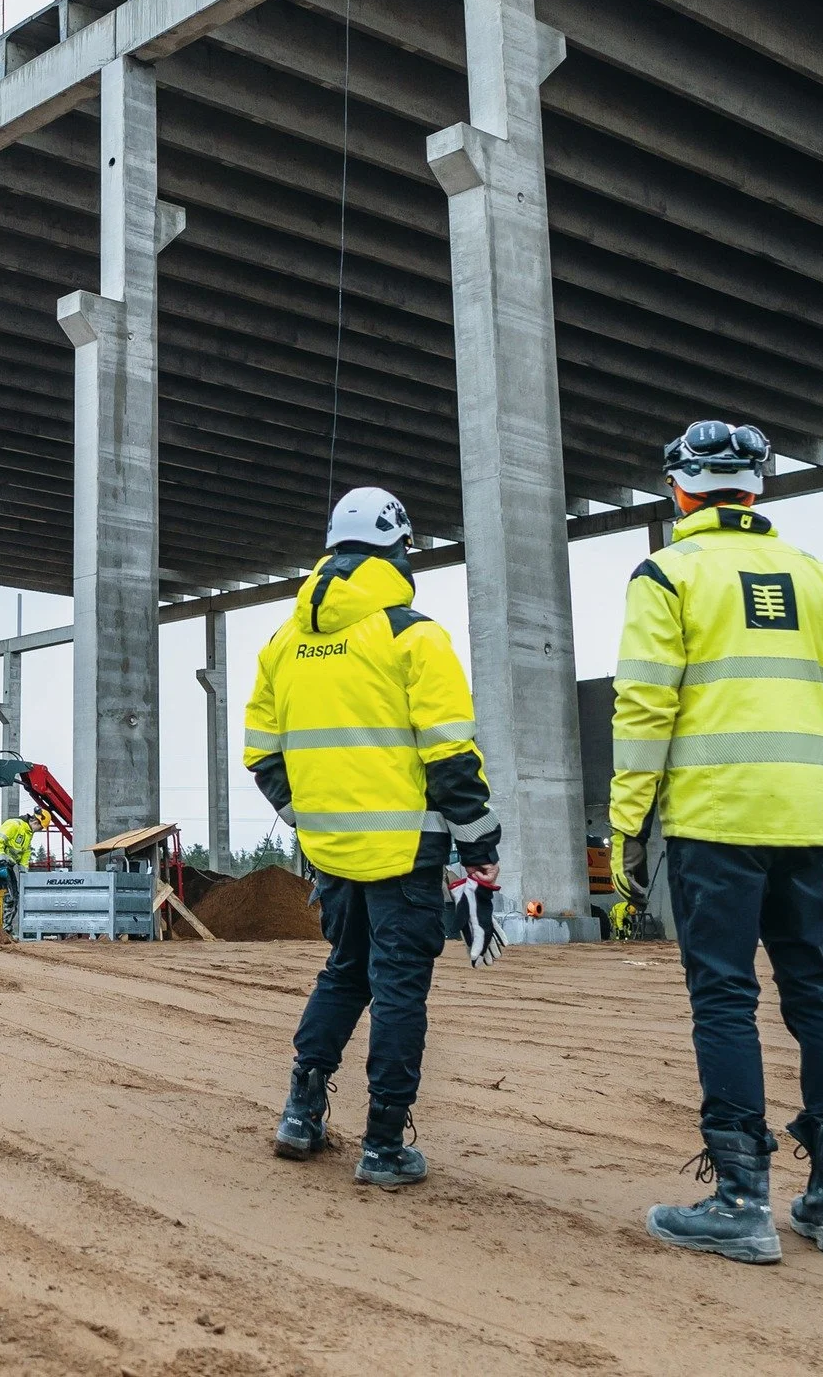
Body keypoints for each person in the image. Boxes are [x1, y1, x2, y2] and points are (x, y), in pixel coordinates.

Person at [609, 422, 823, 1264]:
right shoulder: (815, 577)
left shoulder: (667, 573)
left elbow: (644, 711)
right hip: (806, 824)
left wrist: (629, 826)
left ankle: (741, 1200)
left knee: (726, 999)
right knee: (817, 992)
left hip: (715, 824)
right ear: (756, 490)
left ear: (679, 490)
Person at [244, 486, 505, 1189]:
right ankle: (384, 1142)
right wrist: (480, 847)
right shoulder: (414, 635)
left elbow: (262, 754)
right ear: (399, 551)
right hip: (405, 856)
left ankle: (301, 1111)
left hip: (331, 857)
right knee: (397, 992)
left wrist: (310, 818)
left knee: (345, 971)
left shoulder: (282, 643)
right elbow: (452, 757)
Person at [0, 807, 52, 934]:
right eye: (41, 828)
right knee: (7, 896)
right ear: (36, 822)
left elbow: (25, 853)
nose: (40, 830)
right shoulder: (14, 825)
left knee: (13, 897)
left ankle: (5, 929)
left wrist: (24, 872)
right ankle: (4, 930)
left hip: (7, 866)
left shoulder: (28, 833)